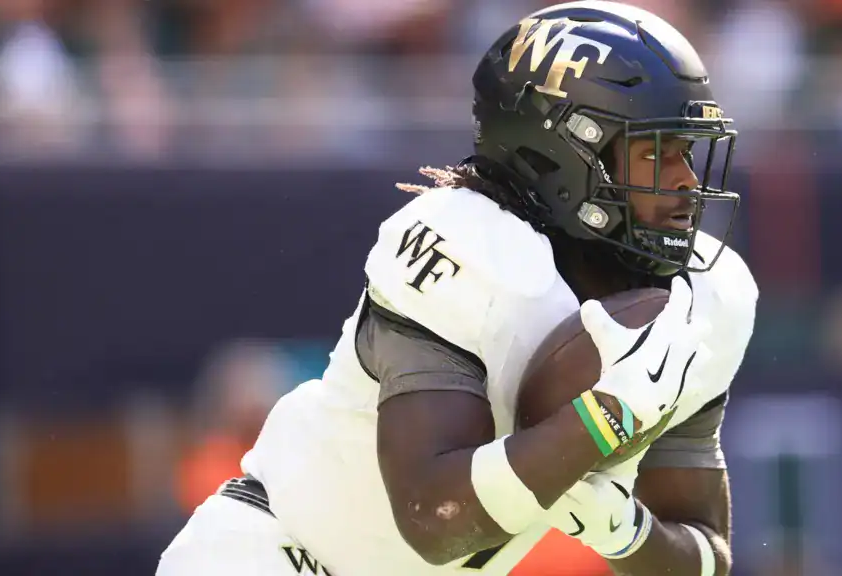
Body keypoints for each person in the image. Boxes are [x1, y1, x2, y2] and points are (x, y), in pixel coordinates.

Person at [155, 1, 758, 575]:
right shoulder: (461, 241)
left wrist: (622, 530)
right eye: (656, 154)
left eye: (687, 152)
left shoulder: (704, 295)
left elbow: (705, 554)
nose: (686, 182)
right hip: (276, 555)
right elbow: (434, 517)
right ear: (567, 152)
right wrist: (607, 418)